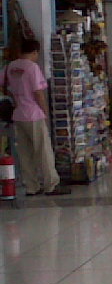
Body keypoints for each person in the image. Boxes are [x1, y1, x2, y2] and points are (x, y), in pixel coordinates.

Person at [0, 39, 68, 196]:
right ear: (35, 52)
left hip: (18, 115)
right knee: (43, 150)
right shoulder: (32, 67)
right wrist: (45, 113)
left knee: (25, 153)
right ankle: (51, 185)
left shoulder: (11, 67)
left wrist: (13, 96)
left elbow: (2, 84)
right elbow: (38, 93)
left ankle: (31, 186)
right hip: (33, 114)